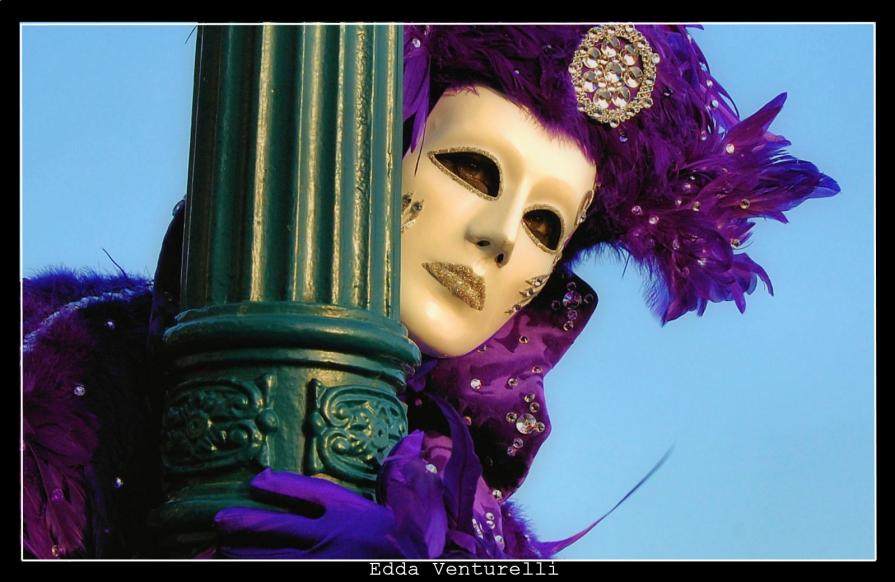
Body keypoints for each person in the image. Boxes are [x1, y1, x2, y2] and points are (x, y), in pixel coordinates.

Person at [22, 24, 838, 559]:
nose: (500, 236)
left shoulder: (485, 533)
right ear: (381, 149)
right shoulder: (67, 367)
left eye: (546, 228)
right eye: (473, 170)